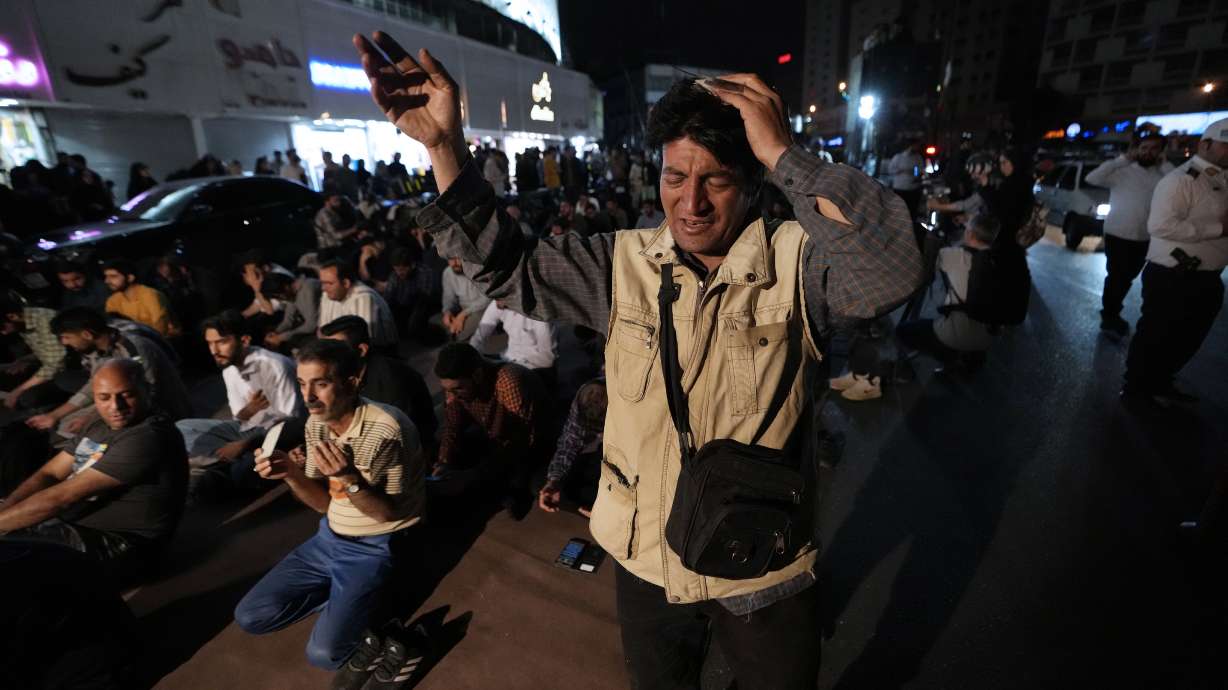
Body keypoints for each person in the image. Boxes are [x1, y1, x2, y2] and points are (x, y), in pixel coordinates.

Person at [355, 32, 920, 688]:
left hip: (762, 563)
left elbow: (892, 270)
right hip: (645, 558)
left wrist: (785, 154)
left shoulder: (798, 264)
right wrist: (444, 147)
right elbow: (507, 266)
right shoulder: (617, 263)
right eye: (676, 176)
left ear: (756, 184)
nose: (692, 202)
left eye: (717, 180)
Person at [234, 339, 427, 678]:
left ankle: (370, 597)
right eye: (302, 384)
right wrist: (290, 475)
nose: (307, 397)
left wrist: (349, 477)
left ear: (352, 383)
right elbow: (326, 504)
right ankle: (350, 600)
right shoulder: (316, 424)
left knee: (325, 655)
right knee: (251, 616)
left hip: (378, 544)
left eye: (320, 384)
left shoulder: (385, 429)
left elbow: (386, 514)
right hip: (329, 538)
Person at [0, 359, 188, 587]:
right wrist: (8, 506)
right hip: (80, 527)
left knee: (11, 548)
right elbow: (51, 473)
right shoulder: (99, 422)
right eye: (104, 397)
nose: (115, 407)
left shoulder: (148, 436)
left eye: (126, 395)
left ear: (146, 390)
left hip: (124, 546)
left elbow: (61, 497)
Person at [1122, 117, 1228, 408]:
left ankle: (1160, 381)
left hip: (1208, 276)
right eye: (1226, 145)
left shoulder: (1221, 179)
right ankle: (1135, 389)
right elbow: (1160, 225)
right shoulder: (1181, 179)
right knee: (1156, 335)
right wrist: (1218, 229)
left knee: (1187, 338)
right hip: (1174, 275)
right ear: (1205, 144)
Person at [176, 311, 302, 495]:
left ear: (244, 340)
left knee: (242, 474)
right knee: (181, 428)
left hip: (281, 435)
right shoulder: (229, 370)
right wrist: (250, 410)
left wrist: (244, 444)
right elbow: (240, 418)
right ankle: (218, 462)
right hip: (249, 430)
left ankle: (214, 465)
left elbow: (291, 422)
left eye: (221, 342)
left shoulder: (273, 365)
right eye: (210, 343)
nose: (214, 351)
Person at [30, 308, 191, 435]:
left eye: (66, 337)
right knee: (65, 425)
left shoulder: (133, 346)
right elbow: (91, 388)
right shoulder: (97, 352)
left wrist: (91, 418)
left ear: (87, 334)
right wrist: (55, 415)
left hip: (161, 411)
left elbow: (147, 392)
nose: (64, 343)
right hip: (127, 405)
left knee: (86, 431)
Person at [432, 343, 548, 514]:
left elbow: (519, 444)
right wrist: (444, 462)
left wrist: (472, 475)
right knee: (442, 448)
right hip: (493, 436)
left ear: (477, 375)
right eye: (448, 390)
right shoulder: (455, 388)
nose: (453, 394)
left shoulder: (508, 381)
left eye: (458, 389)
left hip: (529, 444)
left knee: (525, 482)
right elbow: (452, 426)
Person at [1084, 129, 1173, 337]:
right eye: (1144, 148)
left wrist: (1165, 164)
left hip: (1145, 236)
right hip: (1118, 235)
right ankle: (1109, 316)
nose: (1148, 153)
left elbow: (1179, 182)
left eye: (1154, 149)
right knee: (1117, 277)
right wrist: (1122, 159)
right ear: (1136, 149)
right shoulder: (1122, 171)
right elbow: (1092, 177)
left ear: (1160, 152)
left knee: (1128, 278)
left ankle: (1112, 312)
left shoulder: (1161, 176)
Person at [895, 213, 1001, 369]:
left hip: (956, 335)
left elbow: (927, 269)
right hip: (988, 337)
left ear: (970, 233)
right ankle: (969, 359)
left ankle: (947, 357)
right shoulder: (1002, 263)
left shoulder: (951, 255)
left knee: (903, 331)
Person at [320, 315, 437, 452]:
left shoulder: (390, 379)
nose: (328, 356)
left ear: (362, 350)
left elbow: (397, 437)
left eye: (337, 349)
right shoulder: (345, 375)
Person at [538, 379, 606, 516]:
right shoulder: (585, 394)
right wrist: (554, 481)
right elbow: (571, 441)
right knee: (547, 487)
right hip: (599, 450)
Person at [0, 299, 68, 411]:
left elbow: (55, 364)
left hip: (65, 371)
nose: (3, 333)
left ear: (12, 316)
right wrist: (25, 359)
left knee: (26, 398)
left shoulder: (45, 319)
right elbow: (47, 350)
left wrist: (17, 391)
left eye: (2, 328)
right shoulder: (21, 322)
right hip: (47, 366)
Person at [317, 259, 398, 351]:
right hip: (341, 349)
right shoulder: (327, 295)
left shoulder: (364, 297)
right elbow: (322, 331)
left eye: (329, 283)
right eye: (322, 283)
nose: (323, 288)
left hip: (378, 352)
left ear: (346, 283)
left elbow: (364, 342)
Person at [468, 299, 559, 374]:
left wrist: (511, 367)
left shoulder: (540, 314)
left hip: (533, 367)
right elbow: (479, 336)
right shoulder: (498, 303)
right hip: (508, 358)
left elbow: (547, 359)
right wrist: (470, 357)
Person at [101, 258, 178, 338]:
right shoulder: (113, 301)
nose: (107, 281)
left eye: (113, 276)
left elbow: (160, 327)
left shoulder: (150, 295)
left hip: (165, 340)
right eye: (106, 276)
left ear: (130, 278)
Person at [262, 271, 322, 351]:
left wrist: (281, 337)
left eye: (279, 297)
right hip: (317, 327)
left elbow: (311, 325)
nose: (280, 300)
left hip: (326, 325)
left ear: (286, 287)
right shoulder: (292, 294)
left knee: (296, 340)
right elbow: (288, 321)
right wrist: (275, 333)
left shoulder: (308, 289)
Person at [439, 256, 491, 341]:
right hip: (462, 308)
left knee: (459, 334)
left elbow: (487, 299)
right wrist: (448, 311)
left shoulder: (477, 269)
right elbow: (449, 297)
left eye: (457, 258)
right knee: (443, 327)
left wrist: (463, 315)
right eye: (451, 259)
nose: (454, 263)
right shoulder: (447, 272)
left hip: (480, 308)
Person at [888, 140, 924, 217]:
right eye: (916, 146)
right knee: (899, 210)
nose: (917, 148)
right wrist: (901, 170)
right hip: (900, 187)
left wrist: (915, 173)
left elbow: (918, 170)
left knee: (912, 211)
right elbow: (891, 170)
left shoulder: (918, 158)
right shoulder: (898, 157)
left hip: (913, 188)